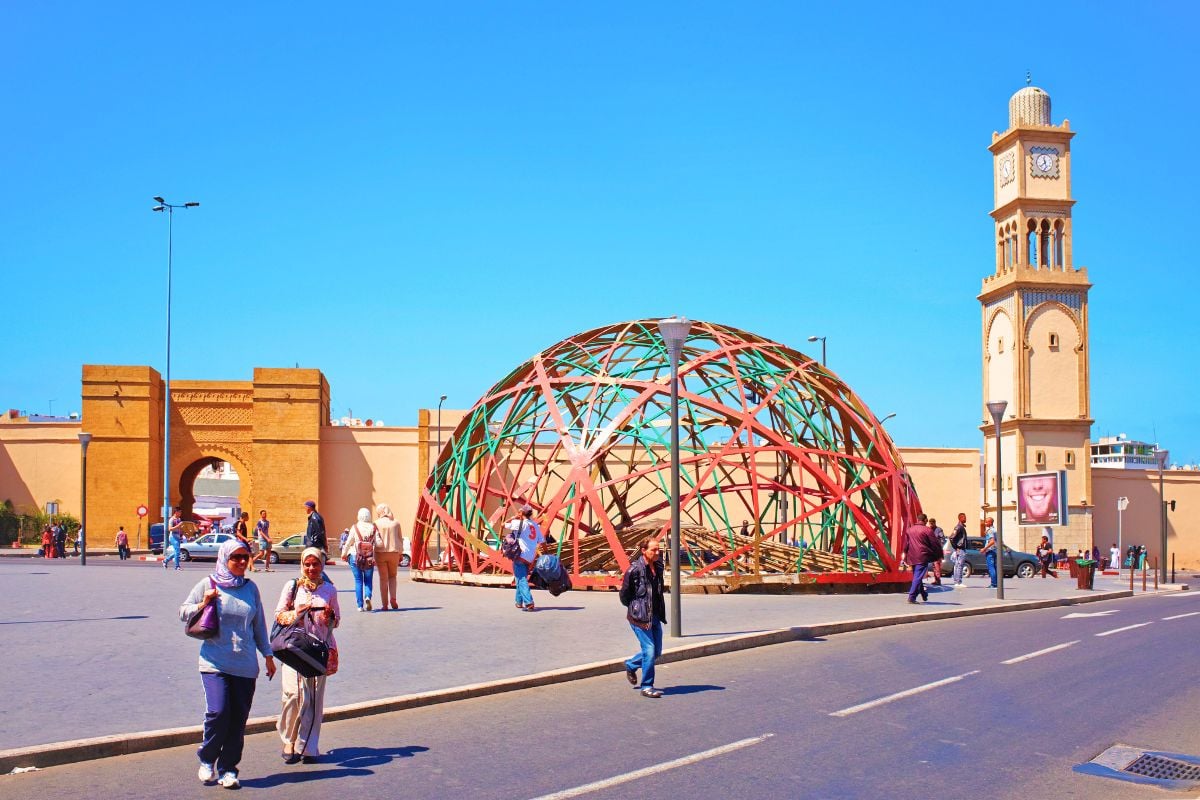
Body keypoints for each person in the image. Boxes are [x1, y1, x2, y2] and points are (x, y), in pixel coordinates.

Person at [179, 539, 276, 789]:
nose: (242, 562)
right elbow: (183, 611)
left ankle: (229, 768)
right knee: (219, 711)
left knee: (238, 719)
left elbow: (259, 625)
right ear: (224, 559)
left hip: (245, 665)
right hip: (214, 662)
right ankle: (207, 758)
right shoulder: (209, 584)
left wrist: (267, 655)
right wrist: (203, 602)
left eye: (246, 557)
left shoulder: (251, 588)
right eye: (237, 558)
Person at [276, 547, 340, 764]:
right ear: (302, 565)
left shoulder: (330, 590)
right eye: (307, 564)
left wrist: (330, 617)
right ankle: (288, 739)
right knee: (293, 695)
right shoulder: (293, 587)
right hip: (294, 649)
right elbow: (279, 616)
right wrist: (297, 613)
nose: (311, 568)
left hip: (318, 650)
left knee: (313, 699)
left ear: (322, 565)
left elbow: (336, 621)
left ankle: (308, 745)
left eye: (316, 564)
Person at [620, 537, 667, 698]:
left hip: (654, 615)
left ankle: (631, 664)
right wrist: (635, 608)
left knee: (657, 652)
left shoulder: (659, 566)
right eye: (654, 550)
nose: (657, 552)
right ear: (644, 551)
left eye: (658, 549)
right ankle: (647, 686)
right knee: (649, 650)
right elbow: (624, 595)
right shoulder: (634, 570)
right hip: (640, 617)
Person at [504, 504, 544, 612]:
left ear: (521, 513)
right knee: (519, 578)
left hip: (520, 555)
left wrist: (514, 517)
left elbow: (504, 524)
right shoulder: (535, 525)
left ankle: (529, 602)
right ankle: (518, 601)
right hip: (530, 557)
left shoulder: (519, 523)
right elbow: (542, 541)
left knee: (521, 579)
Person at [341, 508, 378, 612]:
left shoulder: (355, 527)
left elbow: (348, 542)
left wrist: (344, 554)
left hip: (355, 556)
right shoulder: (373, 528)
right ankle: (368, 597)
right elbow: (378, 543)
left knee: (358, 581)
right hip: (369, 558)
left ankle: (360, 606)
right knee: (368, 580)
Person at [902, 513, 941, 604]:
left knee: (917, 576)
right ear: (925, 520)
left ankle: (923, 594)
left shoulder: (909, 530)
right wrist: (938, 555)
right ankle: (911, 597)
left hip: (912, 557)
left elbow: (906, 545)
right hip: (922, 556)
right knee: (917, 577)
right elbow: (935, 544)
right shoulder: (927, 530)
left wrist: (905, 555)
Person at [373, 504, 403, 611]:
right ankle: (393, 598)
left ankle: (384, 604)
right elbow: (400, 539)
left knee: (383, 579)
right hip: (394, 552)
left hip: (380, 553)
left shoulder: (376, 523)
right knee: (393, 576)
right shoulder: (396, 522)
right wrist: (401, 553)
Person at [949, 513, 968, 585]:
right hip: (960, 549)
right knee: (959, 565)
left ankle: (956, 581)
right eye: (964, 517)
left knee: (957, 565)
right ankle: (958, 582)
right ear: (960, 518)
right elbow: (951, 537)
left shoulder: (961, 527)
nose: (966, 519)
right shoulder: (958, 527)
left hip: (960, 549)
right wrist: (956, 547)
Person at [981, 517, 998, 589]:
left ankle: (993, 584)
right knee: (994, 567)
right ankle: (995, 583)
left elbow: (992, 541)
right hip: (994, 550)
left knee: (991, 568)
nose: (985, 523)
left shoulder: (990, 531)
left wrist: (984, 549)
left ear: (991, 522)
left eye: (987, 522)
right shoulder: (994, 530)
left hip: (990, 551)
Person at [927, 517, 945, 586]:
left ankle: (938, 580)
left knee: (937, 565)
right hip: (931, 551)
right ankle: (936, 580)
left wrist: (939, 547)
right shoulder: (929, 530)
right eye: (930, 523)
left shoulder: (938, 530)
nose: (931, 525)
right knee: (934, 566)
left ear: (935, 523)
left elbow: (943, 539)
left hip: (937, 551)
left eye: (932, 523)